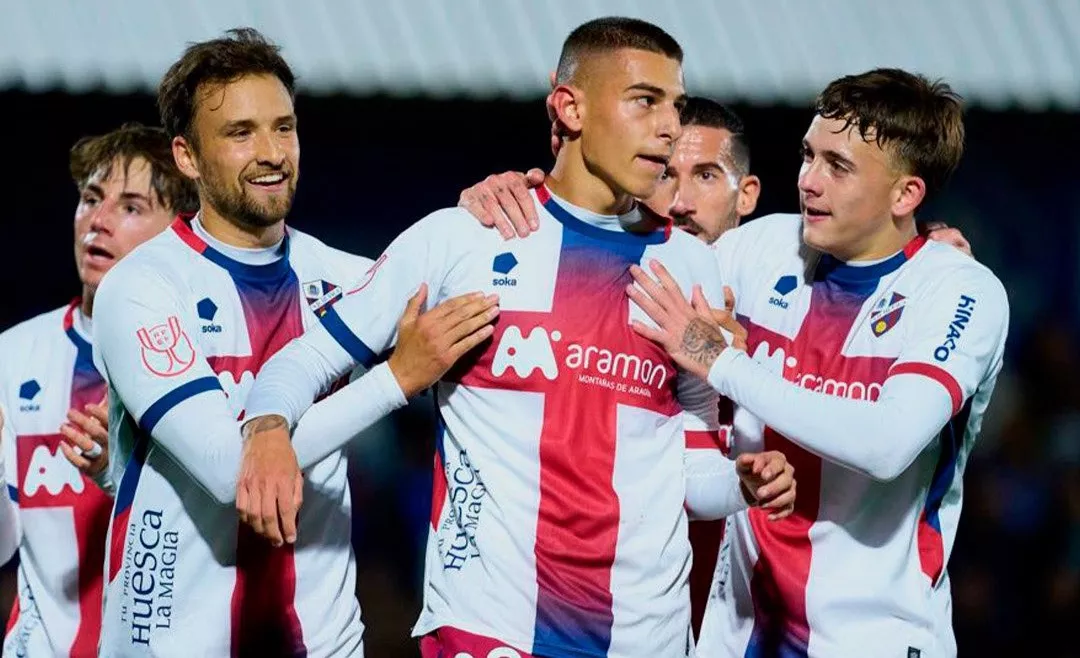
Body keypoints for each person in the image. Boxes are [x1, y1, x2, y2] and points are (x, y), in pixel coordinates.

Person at [241, 17, 795, 658]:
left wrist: (740, 485)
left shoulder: (690, 268)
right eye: (644, 101)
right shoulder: (465, 235)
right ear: (570, 106)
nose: (669, 125)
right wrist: (265, 429)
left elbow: (687, 468)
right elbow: (305, 358)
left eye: (674, 104)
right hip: (488, 631)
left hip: (647, 638)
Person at [90, 28, 498, 656]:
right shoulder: (141, 288)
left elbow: (489, 283)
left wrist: (489, 210)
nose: (271, 152)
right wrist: (395, 380)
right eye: (240, 133)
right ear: (188, 157)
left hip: (323, 638)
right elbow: (231, 472)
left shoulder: (346, 277)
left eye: (283, 127)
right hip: (170, 638)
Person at [627, 68, 1009, 657]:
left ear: (905, 195)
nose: (808, 181)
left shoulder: (960, 291)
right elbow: (619, 271)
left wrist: (725, 362)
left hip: (878, 639)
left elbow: (885, 445)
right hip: (739, 635)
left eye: (839, 166)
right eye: (808, 155)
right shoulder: (759, 249)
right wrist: (520, 199)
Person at [0, 123, 198, 656]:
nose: (98, 222)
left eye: (131, 207)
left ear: (176, 232)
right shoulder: (13, 356)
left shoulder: (205, 359)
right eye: (90, 199)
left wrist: (128, 473)